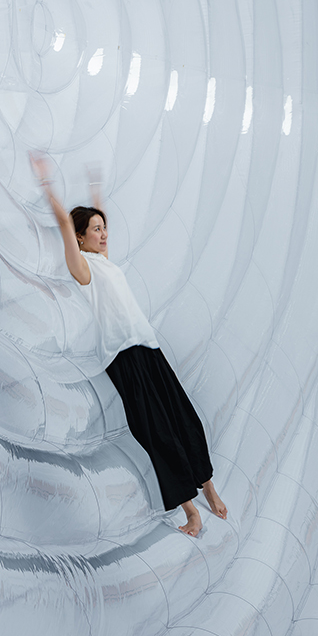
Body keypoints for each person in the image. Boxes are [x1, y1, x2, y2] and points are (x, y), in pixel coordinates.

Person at [31, 154, 227, 536]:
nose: (104, 234)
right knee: (157, 431)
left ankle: (209, 488)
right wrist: (46, 186)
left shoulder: (105, 259)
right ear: (81, 237)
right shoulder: (83, 267)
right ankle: (190, 510)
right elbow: (63, 226)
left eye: (105, 228)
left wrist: (95, 191)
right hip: (122, 358)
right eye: (96, 229)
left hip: (148, 347)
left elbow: (98, 219)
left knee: (183, 417)